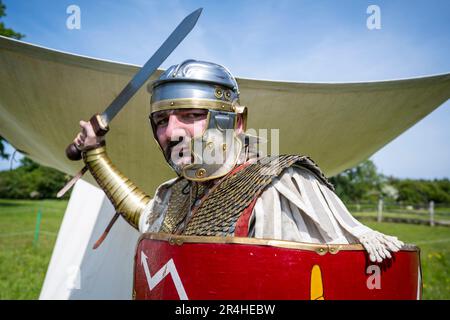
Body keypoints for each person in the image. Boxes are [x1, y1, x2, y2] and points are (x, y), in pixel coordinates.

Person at [74, 60, 403, 263]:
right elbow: (146, 217)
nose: (171, 131)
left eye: (191, 115)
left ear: (237, 122)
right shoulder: (178, 193)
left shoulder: (281, 185)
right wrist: (95, 153)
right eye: (161, 120)